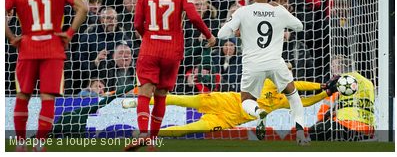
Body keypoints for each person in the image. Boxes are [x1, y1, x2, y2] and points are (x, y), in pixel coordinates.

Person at [125, 0, 216, 151]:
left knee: (144, 92)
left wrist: (145, 35)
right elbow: (193, 16)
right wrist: (209, 35)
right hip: (172, 50)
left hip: (150, 46)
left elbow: (137, 23)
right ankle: (153, 143)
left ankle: (142, 134)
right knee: (161, 95)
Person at [5, 0, 88, 152]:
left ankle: (20, 144)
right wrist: (69, 32)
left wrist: (12, 38)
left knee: (23, 96)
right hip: (53, 47)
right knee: (48, 98)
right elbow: (84, 8)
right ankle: (39, 145)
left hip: (28, 47)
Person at [121, 62, 339, 138]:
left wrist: (325, 94)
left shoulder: (283, 99)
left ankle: (148, 135)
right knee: (181, 100)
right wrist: (321, 85)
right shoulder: (270, 81)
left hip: (230, 120)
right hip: (226, 101)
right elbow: (300, 86)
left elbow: (306, 101)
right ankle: (138, 102)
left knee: (186, 129)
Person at [217, 0, 309, 145]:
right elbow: (299, 26)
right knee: (294, 97)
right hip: (275, 63)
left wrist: (238, 32)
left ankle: (259, 112)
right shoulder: (278, 10)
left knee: (246, 100)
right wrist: (281, 10)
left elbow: (222, 34)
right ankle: (301, 136)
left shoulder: (243, 11)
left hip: (252, 65)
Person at [309, 55, 375, 141]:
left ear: (338, 67)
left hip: (346, 125)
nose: (332, 69)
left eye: (333, 66)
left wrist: (320, 120)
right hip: (368, 129)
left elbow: (326, 108)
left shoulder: (340, 81)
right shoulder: (368, 83)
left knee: (315, 130)